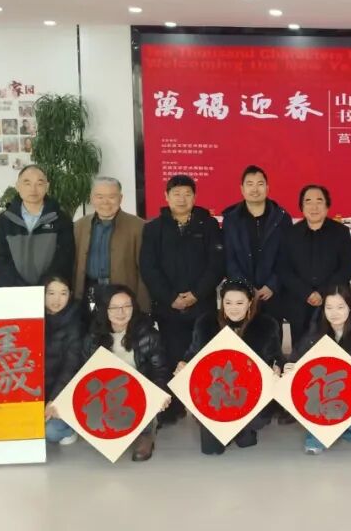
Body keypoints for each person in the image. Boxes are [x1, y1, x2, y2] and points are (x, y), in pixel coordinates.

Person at [140, 174, 224, 425]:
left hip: (202, 305)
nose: (182, 199)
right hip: (169, 308)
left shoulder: (209, 225)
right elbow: (149, 268)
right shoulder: (153, 228)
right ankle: (173, 408)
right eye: (176, 194)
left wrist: (196, 294)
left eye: (187, 194)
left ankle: (205, 408)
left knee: (204, 357)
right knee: (172, 356)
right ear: (166, 197)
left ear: (195, 197)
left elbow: (217, 264)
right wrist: (170, 298)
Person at [176, 280, 282, 455]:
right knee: (211, 449)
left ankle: (245, 428)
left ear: (250, 302)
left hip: (249, 392)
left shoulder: (266, 325)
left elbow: (277, 357)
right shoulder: (206, 323)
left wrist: (277, 368)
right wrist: (184, 363)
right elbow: (193, 352)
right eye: (228, 303)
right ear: (221, 302)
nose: (233, 308)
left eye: (240, 303)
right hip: (216, 392)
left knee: (245, 441)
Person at [288, 284, 351, 455]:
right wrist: (291, 366)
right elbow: (296, 358)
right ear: (323, 309)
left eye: (340, 307)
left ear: (350, 307)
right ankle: (320, 432)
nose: (334, 313)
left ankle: (336, 429)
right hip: (322, 397)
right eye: (329, 307)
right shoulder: (315, 332)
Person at [81, 284, 171, 462]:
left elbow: (160, 370)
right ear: (105, 310)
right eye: (114, 307)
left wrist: (160, 394)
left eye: (126, 306)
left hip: (139, 393)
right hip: (109, 394)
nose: (121, 312)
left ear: (133, 307)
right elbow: (85, 374)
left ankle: (146, 434)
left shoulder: (149, 335)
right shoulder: (93, 338)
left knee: (145, 403)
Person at [278, 185, 351, 346]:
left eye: (319, 201)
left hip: (334, 302)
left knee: (335, 348)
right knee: (301, 350)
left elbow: (346, 268)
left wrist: (322, 292)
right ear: (301, 206)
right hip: (299, 303)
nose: (314, 207)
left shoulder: (341, 232)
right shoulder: (290, 234)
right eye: (308, 201)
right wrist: (307, 293)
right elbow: (284, 269)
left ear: (327, 206)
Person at [221, 165, 291, 327]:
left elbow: (287, 257)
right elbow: (228, 258)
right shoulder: (231, 220)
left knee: (271, 336)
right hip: (240, 296)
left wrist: (272, 285)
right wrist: (245, 287)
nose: (255, 189)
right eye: (250, 184)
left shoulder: (281, 218)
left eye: (260, 184)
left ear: (267, 188)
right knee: (242, 338)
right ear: (242, 189)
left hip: (272, 295)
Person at [73, 177, 149, 317]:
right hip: (89, 292)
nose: (105, 202)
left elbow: (146, 271)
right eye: (99, 197)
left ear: (120, 198)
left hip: (124, 294)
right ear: (92, 198)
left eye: (111, 197)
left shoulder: (139, 227)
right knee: (91, 327)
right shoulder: (79, 226)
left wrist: (142, 307)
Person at [0, 165, 75, 286]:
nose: (33, 189)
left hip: (49, 291)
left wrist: (44, 286)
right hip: (13, 291)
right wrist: (21, 288)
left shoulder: (61, 220)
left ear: (47, 187)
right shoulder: (3, 221)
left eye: (39, 184)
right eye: (27, 183)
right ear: (18, 186)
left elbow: (64, 259)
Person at [40, 275, 85, 446]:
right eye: (51, 293)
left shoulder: (75, 324)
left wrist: (54, 399)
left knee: (50, 432)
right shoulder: (32, 317)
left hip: (63, 391)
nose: (56, 300)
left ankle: (70, 429)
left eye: (63, 293)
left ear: (70, 295)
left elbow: (71, 367)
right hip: (38, 392)